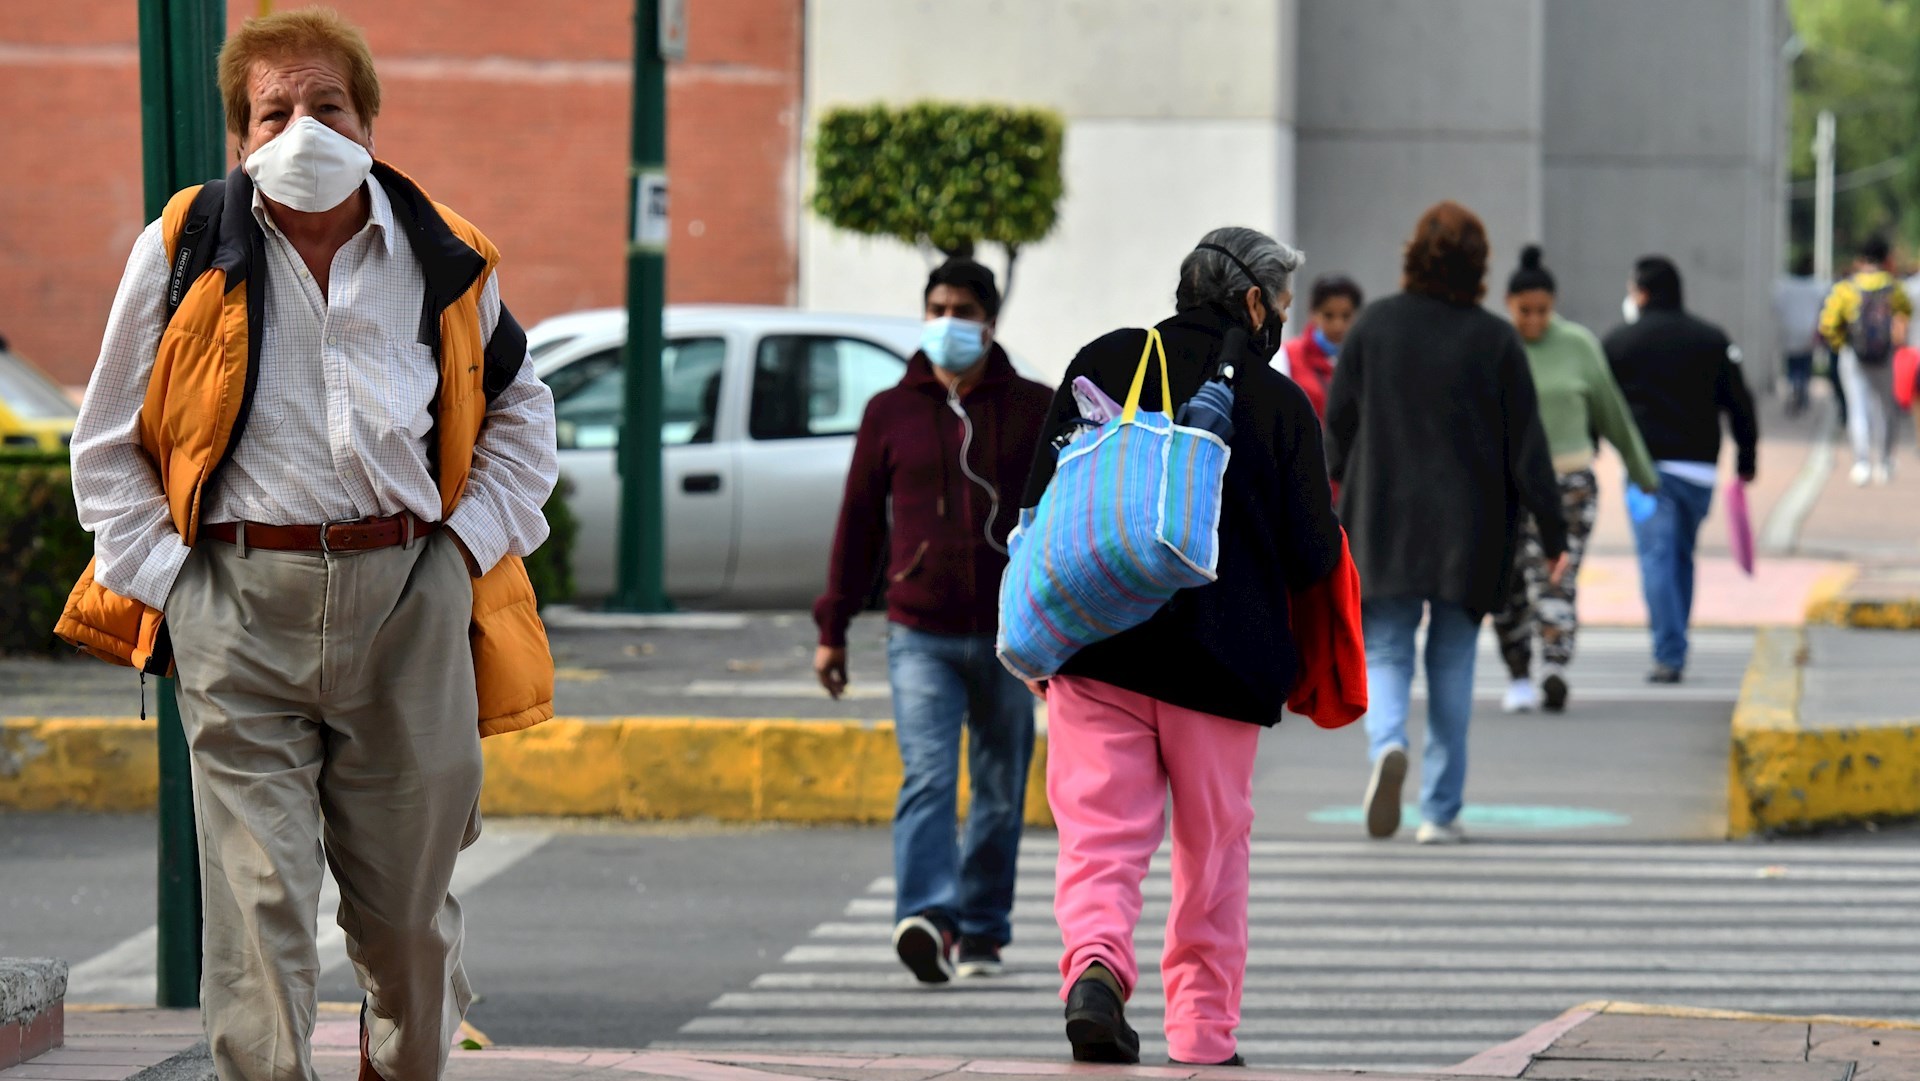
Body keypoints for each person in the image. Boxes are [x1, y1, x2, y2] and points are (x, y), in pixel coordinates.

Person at [58, 10, 558, 1081]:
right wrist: (177, 586)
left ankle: (403, 1064)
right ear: (242, 134)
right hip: (238, 600)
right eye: (274, 110)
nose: (302, 128)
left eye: (326, 105)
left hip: (408, 600)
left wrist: (459, 554)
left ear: (369, 119)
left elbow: (522, 417)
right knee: (258, 906)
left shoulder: (447, 254)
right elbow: (105, 440)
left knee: (407, 918)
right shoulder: (186, 244)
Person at [1021, 227, 1343, 1067]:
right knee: (1211, 853)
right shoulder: (1277, 405)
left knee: (1098, 837)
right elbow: (1314, 553)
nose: (1279, 319)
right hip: (1221, 668)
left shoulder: (1105, 356)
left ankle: (1095, 965)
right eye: (1278, 303)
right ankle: (1201, 1032)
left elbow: (1035, 506)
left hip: (1095, 648)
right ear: (1251, 302)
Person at [812, 258, 1051, 985]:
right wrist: (834, 626)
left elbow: (1062, 521)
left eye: (964, 309)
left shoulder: (1034, 408)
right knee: (927, 775)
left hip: (1014, 638)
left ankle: (981, 929)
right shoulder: (892, 410)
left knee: (1002, 785)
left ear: (990, 320)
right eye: (938, 307)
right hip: (919, 631)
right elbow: (858, 522)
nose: (949, 321)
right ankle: (926, 916)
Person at [1324, 202, 1568, 846]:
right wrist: (1555, 533)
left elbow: (1336, 432)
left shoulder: (1372, 326)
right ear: (1480, 265)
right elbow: (1528, 447)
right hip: (1472, 526)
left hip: (1382, 519)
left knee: (1386, 649)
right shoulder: (1494, 339)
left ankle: (1387, 745)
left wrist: (1324, 504)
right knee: (1454, 659)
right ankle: (1439, 810)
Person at [1494, 246, 1658, 715]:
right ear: (1508, 303)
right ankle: (1520, 673)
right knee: (1509, 587)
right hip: (1507, 489)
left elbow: (1612, 413)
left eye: (1542, 311)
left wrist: (1642, 471)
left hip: (1570, 484)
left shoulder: (1579, 345)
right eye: (1524, 311)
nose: (1533, 321)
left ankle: (1554, 669)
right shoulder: (1496, 346)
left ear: (1555, 304)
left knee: (1555, 577)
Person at [1606, 255, 1759, 684]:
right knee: (1680, 556)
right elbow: (1740, 403)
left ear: (1642, 292)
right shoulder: (1712, 340)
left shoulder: (1620, 343)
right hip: (1699, 475)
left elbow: (1597, 401)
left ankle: (1669, 653)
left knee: (1657, 558)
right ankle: (1675, 643)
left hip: (1645, 474)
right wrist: (1747, 459)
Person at [1821, 235, 1913, 485]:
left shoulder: (1847, 288)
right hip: (1885, 355)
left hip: (1854, 355)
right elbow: (1906, 312)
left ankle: (1861, 464)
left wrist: (1841, 344)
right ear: (1886, 258)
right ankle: (1884, 462)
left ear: (1861, 259)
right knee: (1885, 408)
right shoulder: (1893, 287)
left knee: (1857, 408)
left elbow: (1828, 323)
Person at [1276, 274, 1363, 420]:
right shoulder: (1286, 355)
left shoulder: (1365, 360)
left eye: (1346, 316)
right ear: (1313, 313)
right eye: (1328, 315)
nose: (1338, 325)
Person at [1773, 254, 1827, 417]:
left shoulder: (1784, 286)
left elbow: (1775, 306)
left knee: (1792, 364)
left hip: (1790, 329)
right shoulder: (1817, 287)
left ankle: (1793, 387)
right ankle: (1801, 391)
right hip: (1809, 330)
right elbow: (1824, 308)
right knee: (1804, 364)